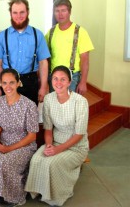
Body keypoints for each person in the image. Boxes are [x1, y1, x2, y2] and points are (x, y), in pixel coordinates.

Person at [25, 65, 89, 206]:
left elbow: (79, 134)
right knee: (36, 159)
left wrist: (57, 150)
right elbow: (48, 129)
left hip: (76, 147)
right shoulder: (48, 99)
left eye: (62, 79)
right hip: (55, 142)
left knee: (51, 163)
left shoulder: (80, 102)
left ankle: (56, 196)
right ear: (51, 80)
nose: (58, 83)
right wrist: (49, 144)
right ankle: (40, 191)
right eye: (55, 79)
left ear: (69, 82)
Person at [0, 68, 39, 206]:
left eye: (12, 83)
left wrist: (9, 149)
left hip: (24, 145)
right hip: (3, 143)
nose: (8, 87)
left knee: (7, 164)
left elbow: (32, 136)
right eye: (5, 83)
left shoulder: (29, 105)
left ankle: (14, 198)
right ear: (0, 84)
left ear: (19, 83)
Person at [0, 0, 50, 106]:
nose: (18, 16)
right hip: (7, 82)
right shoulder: (2, 36)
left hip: (30, 81)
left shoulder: (37, 35)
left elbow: (43, 63)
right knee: (8, 118)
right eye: (15, 12)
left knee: (30, 116)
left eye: (22, 12)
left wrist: (43, 87)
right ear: (10, 13)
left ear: (28, 12)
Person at [46, 0, 94, 95]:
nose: (60, 14)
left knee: (70, 108)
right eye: (57, 11)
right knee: (55, 106)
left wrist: (83, 82)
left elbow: (85, 60)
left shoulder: (80, 32)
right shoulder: (50, 32)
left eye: (63, 10)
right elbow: (45, 57)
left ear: (69, 12)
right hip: (54, 77)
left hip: (72, 78)